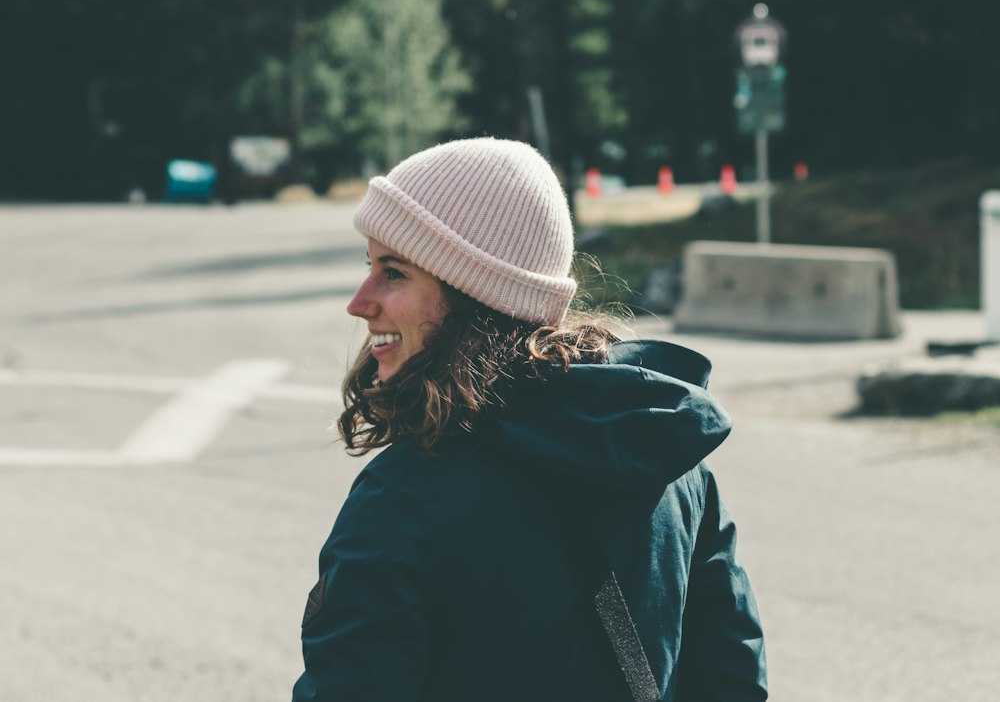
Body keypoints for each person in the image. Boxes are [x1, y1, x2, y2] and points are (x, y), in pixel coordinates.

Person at [292, 137, 767, 702]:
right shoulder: (664, 452)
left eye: (393, 272)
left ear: (477, 295)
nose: (360, 301)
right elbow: (731, 676)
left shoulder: (403, 500)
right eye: (368, 266)